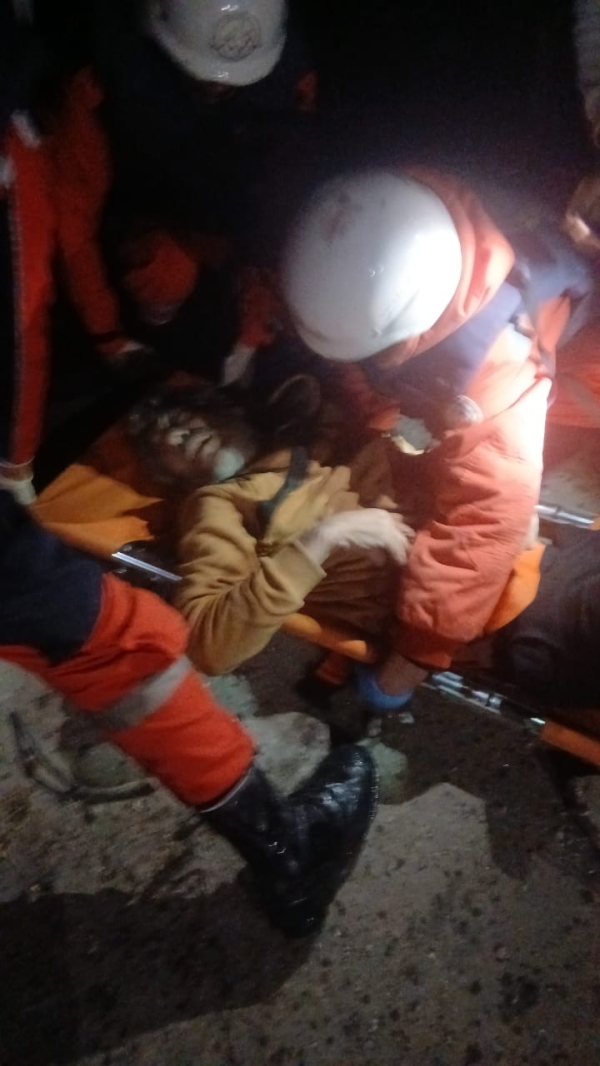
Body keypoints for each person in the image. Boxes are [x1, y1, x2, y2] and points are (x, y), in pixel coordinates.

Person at [277, 167, 590, 712]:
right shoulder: (380, 217)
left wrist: (414, 654)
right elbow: (355, 350)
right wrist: (376, 419)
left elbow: (485, 521)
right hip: (523, 270)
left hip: (567, 337)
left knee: (514, 480)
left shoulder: (499, 374)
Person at [0, 487, 378, 938]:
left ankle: (283, 848)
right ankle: (285, 847)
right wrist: (320, 540)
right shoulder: (215, 503)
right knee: (116, 645)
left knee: (101, 637)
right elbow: (213, 643)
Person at [127, 380, 415, 676]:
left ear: (218, 411)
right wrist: (325, 536)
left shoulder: (309, 429)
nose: (177, 435)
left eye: (178, 419)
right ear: (169, 474)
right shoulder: (217, 502)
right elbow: (208, 647)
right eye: (159, 441)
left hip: (432, 524)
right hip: (411, 604)